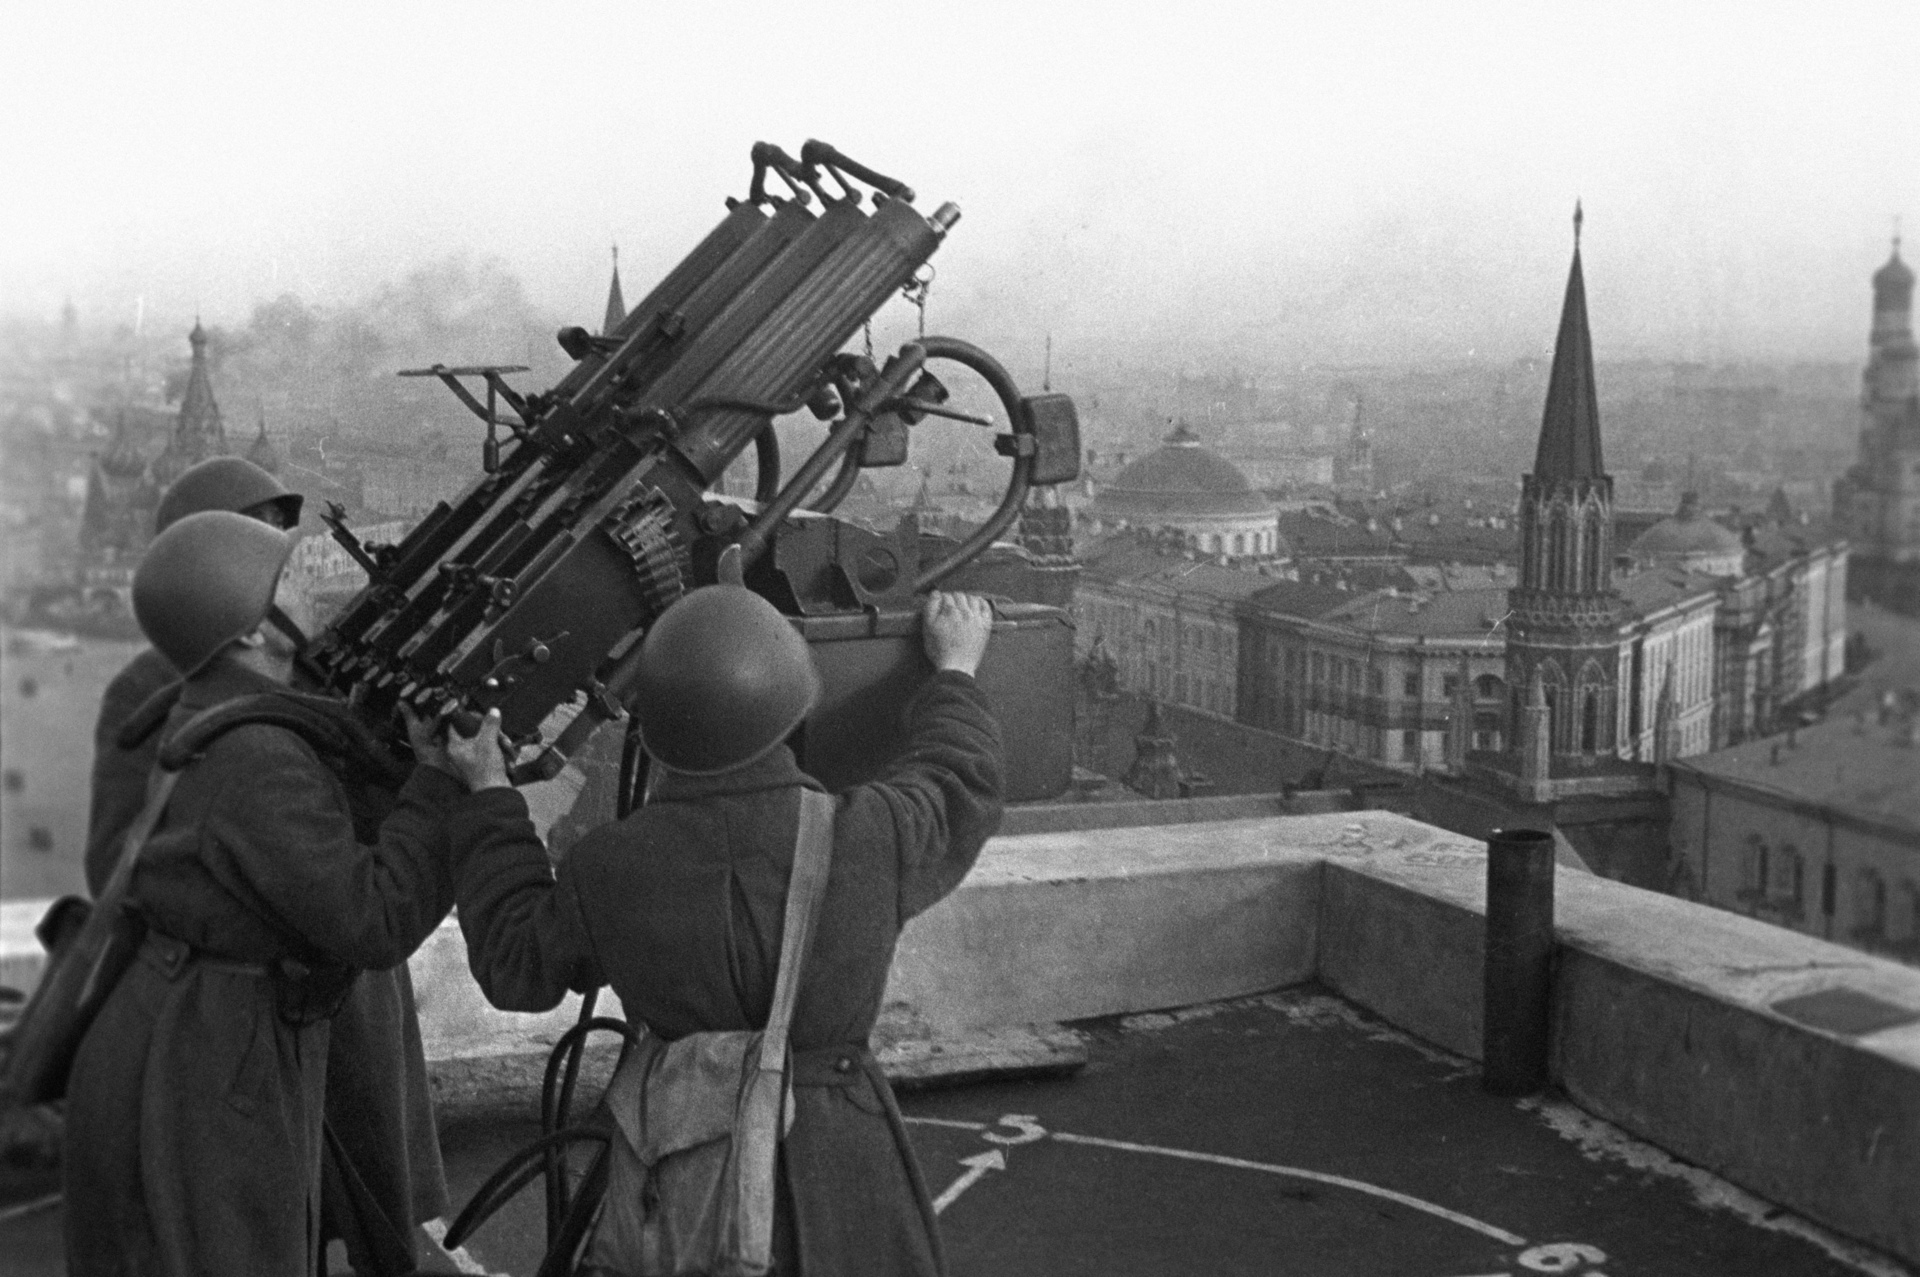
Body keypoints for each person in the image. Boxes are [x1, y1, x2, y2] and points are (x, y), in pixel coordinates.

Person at [443, 586, 1005, 1276]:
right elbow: (958, 780)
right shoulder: (868, 834)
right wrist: (955, 671)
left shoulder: (611, 867)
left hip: (682, 1171)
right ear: (794, 703)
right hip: (840, 1174)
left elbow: (515, 962)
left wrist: (491, 797)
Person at [62, 511, 524, 1277]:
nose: (308, 582)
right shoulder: (256, 757)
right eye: (286, 577)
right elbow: (370, 920)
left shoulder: (229, 718)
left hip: (206, 1029)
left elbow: (320, 852)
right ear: (249, 629)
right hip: (220, 1055)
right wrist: (449, 783)